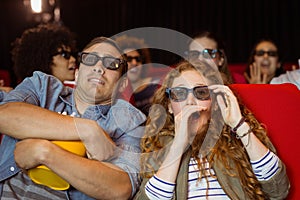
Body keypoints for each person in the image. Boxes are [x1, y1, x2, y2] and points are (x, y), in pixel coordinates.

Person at [0, 37, 146, 199]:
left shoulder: (130, 120)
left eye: (112, 64)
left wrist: (45, 152)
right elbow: (4, 115)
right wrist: (85, 130)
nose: (99, 68)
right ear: (77, 73)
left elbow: (121, 188)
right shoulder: (43, 86)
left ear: (123, 83)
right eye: (90, 59)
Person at [134, 60, 290, 199]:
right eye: (180, 93)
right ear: (168, 106)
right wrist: (178, 146)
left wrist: (239, 123)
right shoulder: (159, 147)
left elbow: (278, 190)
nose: (190, 101)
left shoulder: (235, 138)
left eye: (201, 92)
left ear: (215, 103)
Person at [11, 23, 77, 84]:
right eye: (64, 55)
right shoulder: (26, 95)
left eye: (71, 54)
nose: (73, 59)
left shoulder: (64, 94)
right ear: (43, 59)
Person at [115, 35, 160, 116]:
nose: (134, 63)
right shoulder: (116, 94)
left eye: (138, 59)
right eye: (129, 59)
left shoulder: (157, 84)